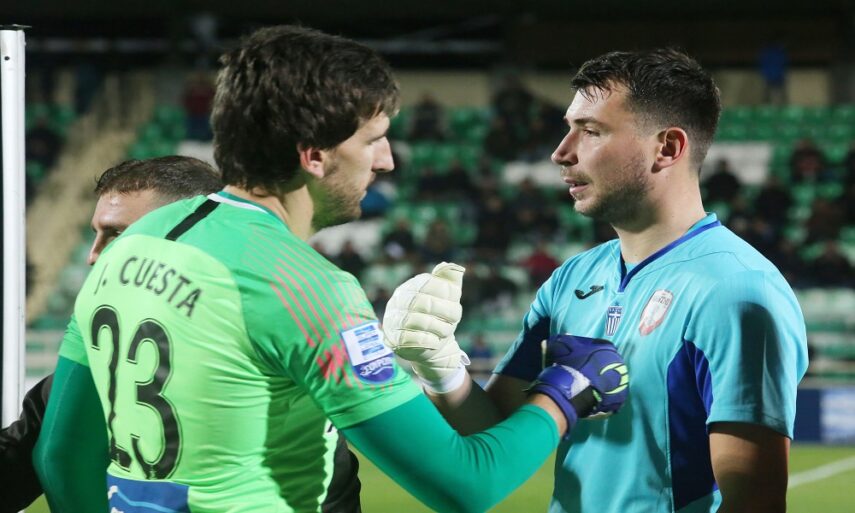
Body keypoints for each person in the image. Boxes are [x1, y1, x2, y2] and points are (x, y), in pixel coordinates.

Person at [35, 25, 629, 513]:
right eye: (373, 139)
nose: (386, 160)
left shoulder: (134, 243)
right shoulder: (302, 286)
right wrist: (565, 393)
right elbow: (467, 484)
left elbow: (61, 456)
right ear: (315, 155)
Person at [383, 48, 808, 513]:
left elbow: (755, 501)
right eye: (569, 128)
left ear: (667, 148)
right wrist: (440, 364)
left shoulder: (736, 290)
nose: (561, 152)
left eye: (590, 131)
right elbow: (494, 433)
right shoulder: (572, 278)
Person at [0, 156, 221, 513]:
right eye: (96, 233)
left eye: (117, 233)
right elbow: (19, 456)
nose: (93, 256)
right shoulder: (100, 365)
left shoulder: (268, 345)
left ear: (188, 231)